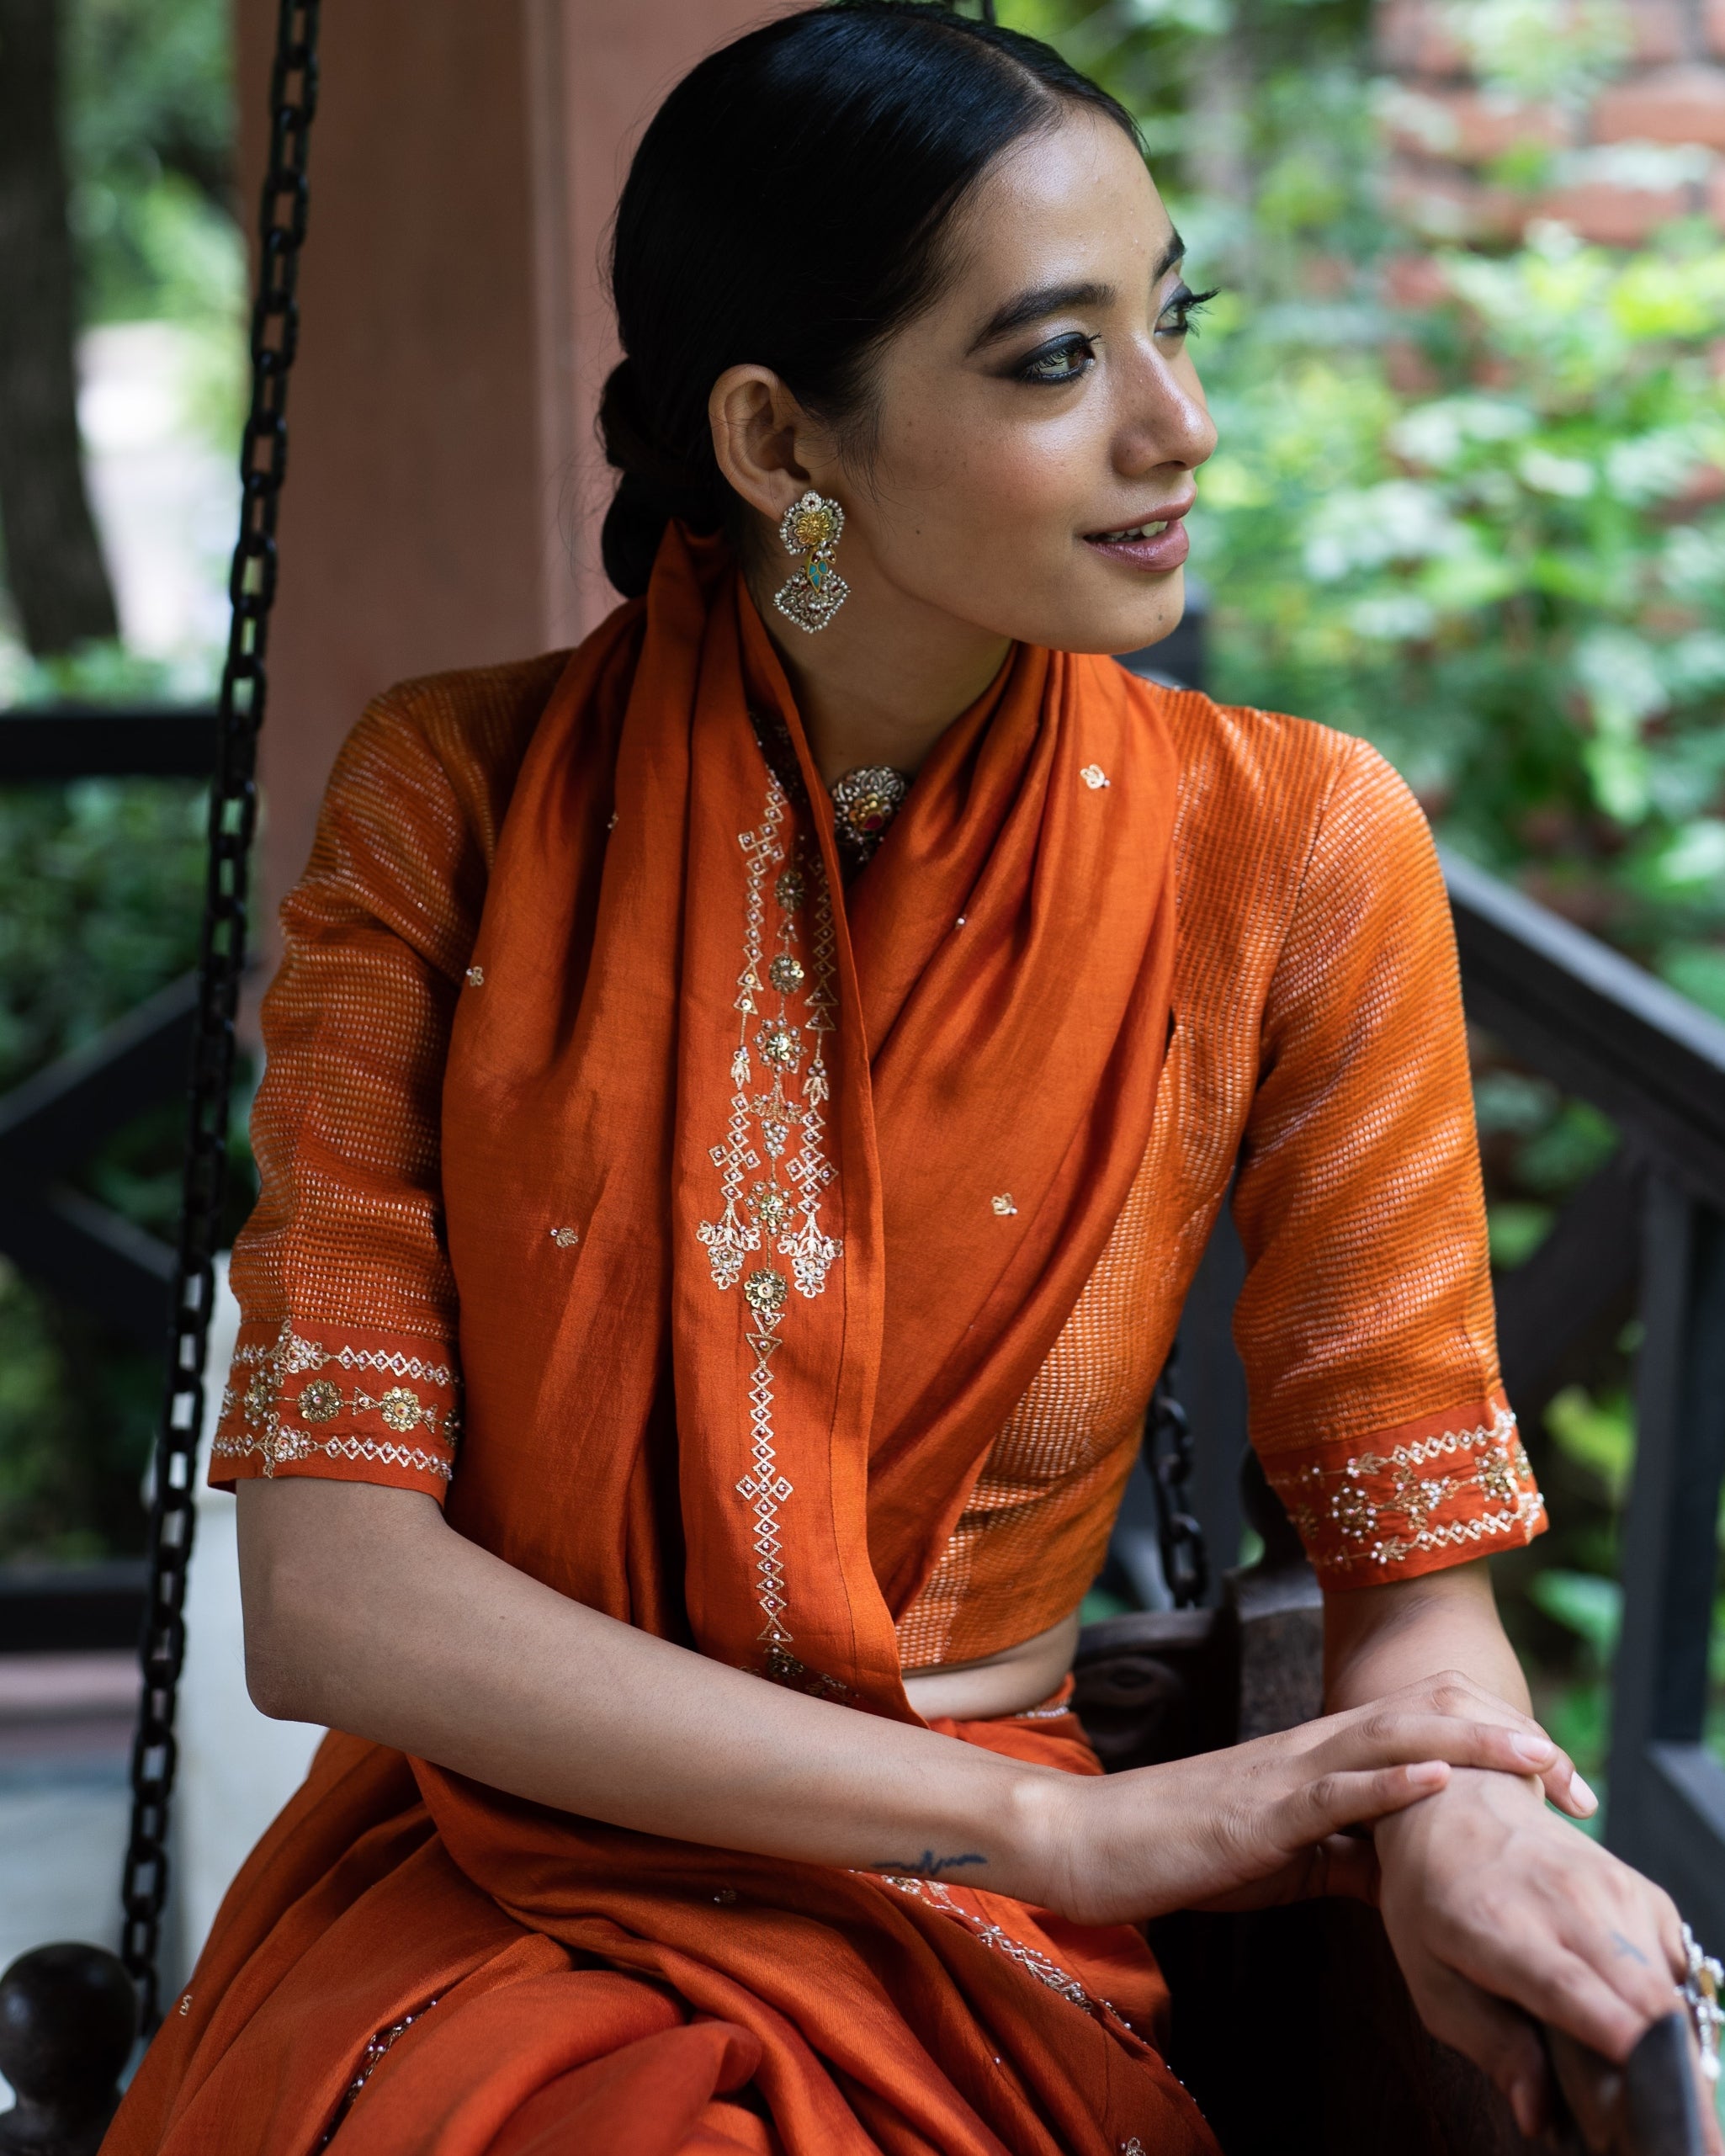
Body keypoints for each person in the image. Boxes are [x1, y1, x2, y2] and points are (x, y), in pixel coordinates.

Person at [105, 7, 1714, 2153]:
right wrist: (1050, 1832)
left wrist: (1457, 1812)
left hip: (973, 1953)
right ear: (779, 440)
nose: (1179, 424)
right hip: (499, 1877)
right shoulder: (457, 799)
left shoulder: (1289, 845)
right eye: (1054, 361)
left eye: (1174, 322)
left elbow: (1408, 1563)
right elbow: (333, 1598)